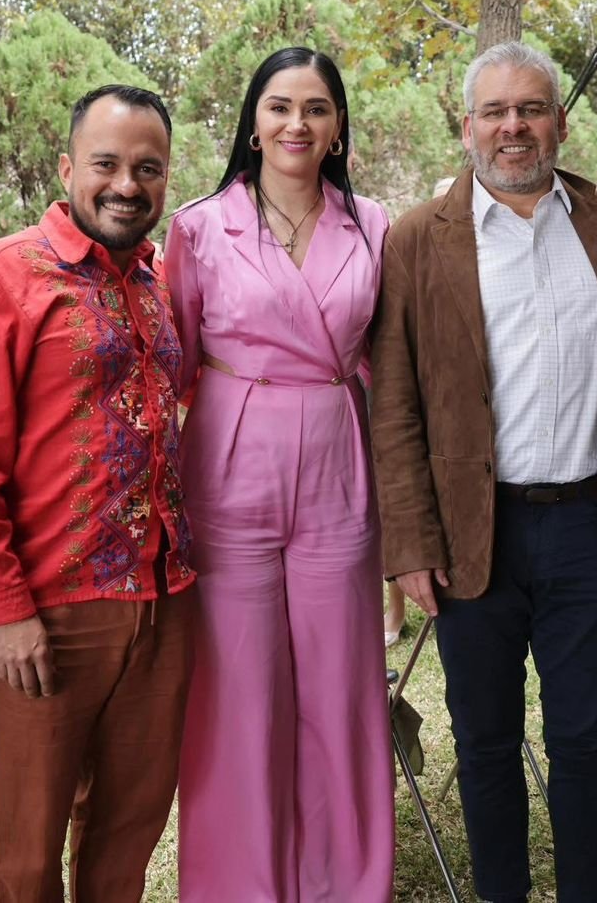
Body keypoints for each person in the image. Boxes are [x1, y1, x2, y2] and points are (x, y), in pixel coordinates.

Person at [371, 40, 597, 903]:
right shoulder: (417, 240)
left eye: (531, 109)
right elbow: (394, 404)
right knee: (486, 744)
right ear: (467, 126)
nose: (514, 127)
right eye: (496, 112)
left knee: (588, 743)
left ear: (559, 122)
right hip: (474, 532)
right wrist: (410, 545)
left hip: (589, 526)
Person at [0, 84, 197, 901]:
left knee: (129, 829)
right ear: (66, 167)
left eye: (148, 168)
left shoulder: (157, 281)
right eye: (106, 164)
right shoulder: (3, 275)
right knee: (27, 846)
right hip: (51, 608)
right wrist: (7, 610)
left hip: (164, 600)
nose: (127, 185)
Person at [166, 47, 394, 902]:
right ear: (253, 125)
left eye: (317, 109)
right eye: (280, 106)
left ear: (338, 129)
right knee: (236, 690)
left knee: (342, 685)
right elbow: (173, 362)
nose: (298, 123)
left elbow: (387, 360)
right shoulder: (198, 226)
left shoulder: (374, 225)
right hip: (230, 462)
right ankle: (238, 885)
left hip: (337, 458)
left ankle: (346, 882)